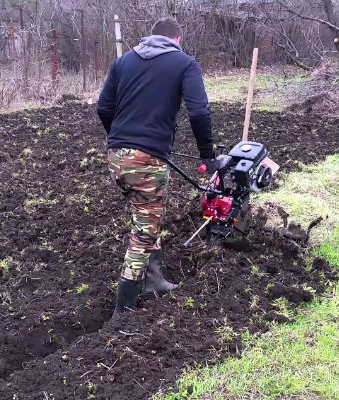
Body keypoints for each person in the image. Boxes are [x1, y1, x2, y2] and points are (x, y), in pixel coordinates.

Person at [97, 17, 220, 315]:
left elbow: (103, 107)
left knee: (146, 216)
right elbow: (199, 112)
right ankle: (123, 309)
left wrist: (121, 139)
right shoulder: (185, 63)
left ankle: (154, 282)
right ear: (177, 40)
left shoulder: (124, 61)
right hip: (148, 160)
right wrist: (208, 156)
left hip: (116, 157)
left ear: (151, 37)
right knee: (142, 232)